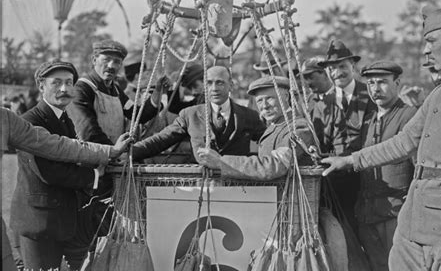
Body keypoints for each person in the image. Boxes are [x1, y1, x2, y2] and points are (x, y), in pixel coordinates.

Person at [321, 7, 441, 271]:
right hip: (413, 216)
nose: (426, 52)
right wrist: (349, 161)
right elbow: (403, 142)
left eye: (432, 41)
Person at [9, 60, 125, 271]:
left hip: (62, 220)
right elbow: (49, 172)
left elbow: (74, 152)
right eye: (57, 83)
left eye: (69, 83)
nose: (64, 89)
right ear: (41, 87)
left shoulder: (63, 117)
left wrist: (105, 158)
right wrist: (95, 174)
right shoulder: (31, 121)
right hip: (40, 224)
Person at [355, 60, 418, 271]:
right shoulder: (370, 119)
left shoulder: (410, 116)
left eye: (382, 82)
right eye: (371, 83)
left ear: (398, 83)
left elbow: (418, 169)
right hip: (368, 213)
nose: (375, 88)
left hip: (396, 214)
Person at [132, 66, 266, 162]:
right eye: (209, 83)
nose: (214, 88)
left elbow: (269, 140)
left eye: (220, 82)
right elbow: (160, 140)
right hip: (200, 186)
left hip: (238, 187)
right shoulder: (190, 115)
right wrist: (128, 152)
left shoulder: (249, 116)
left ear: (231, 85)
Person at [196, 76, 318, 180]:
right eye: (259, 101)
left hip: (292, 203)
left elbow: (276, 165)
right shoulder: (275, 126)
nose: (264, 106)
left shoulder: (298, 127)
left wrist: (221, 162)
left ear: (286, 97)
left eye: (270, 98)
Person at [317, 40, 377, 231]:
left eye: (342, 66)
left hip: (365, 176)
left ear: (353, 66)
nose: (337, 73)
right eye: (332, 69)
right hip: (334, 179)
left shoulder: (370, 96)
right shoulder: (321, 105)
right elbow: (321, 143)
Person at [68, 39, 162, 146]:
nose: (111, 66)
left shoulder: (116, 90)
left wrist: (158, 90)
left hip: (112, 156)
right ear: (94, 60)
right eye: (106, 60)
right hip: (89, 157)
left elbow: (138, 114)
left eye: (117, 62)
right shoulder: (82, 89)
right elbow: (88, 130)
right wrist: (114, 152)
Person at [302, 56, 348, 155]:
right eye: (305, 78)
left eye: (311, 77)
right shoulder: (308, 101)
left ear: (325, 73)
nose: (308, 83)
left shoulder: (343, 98)